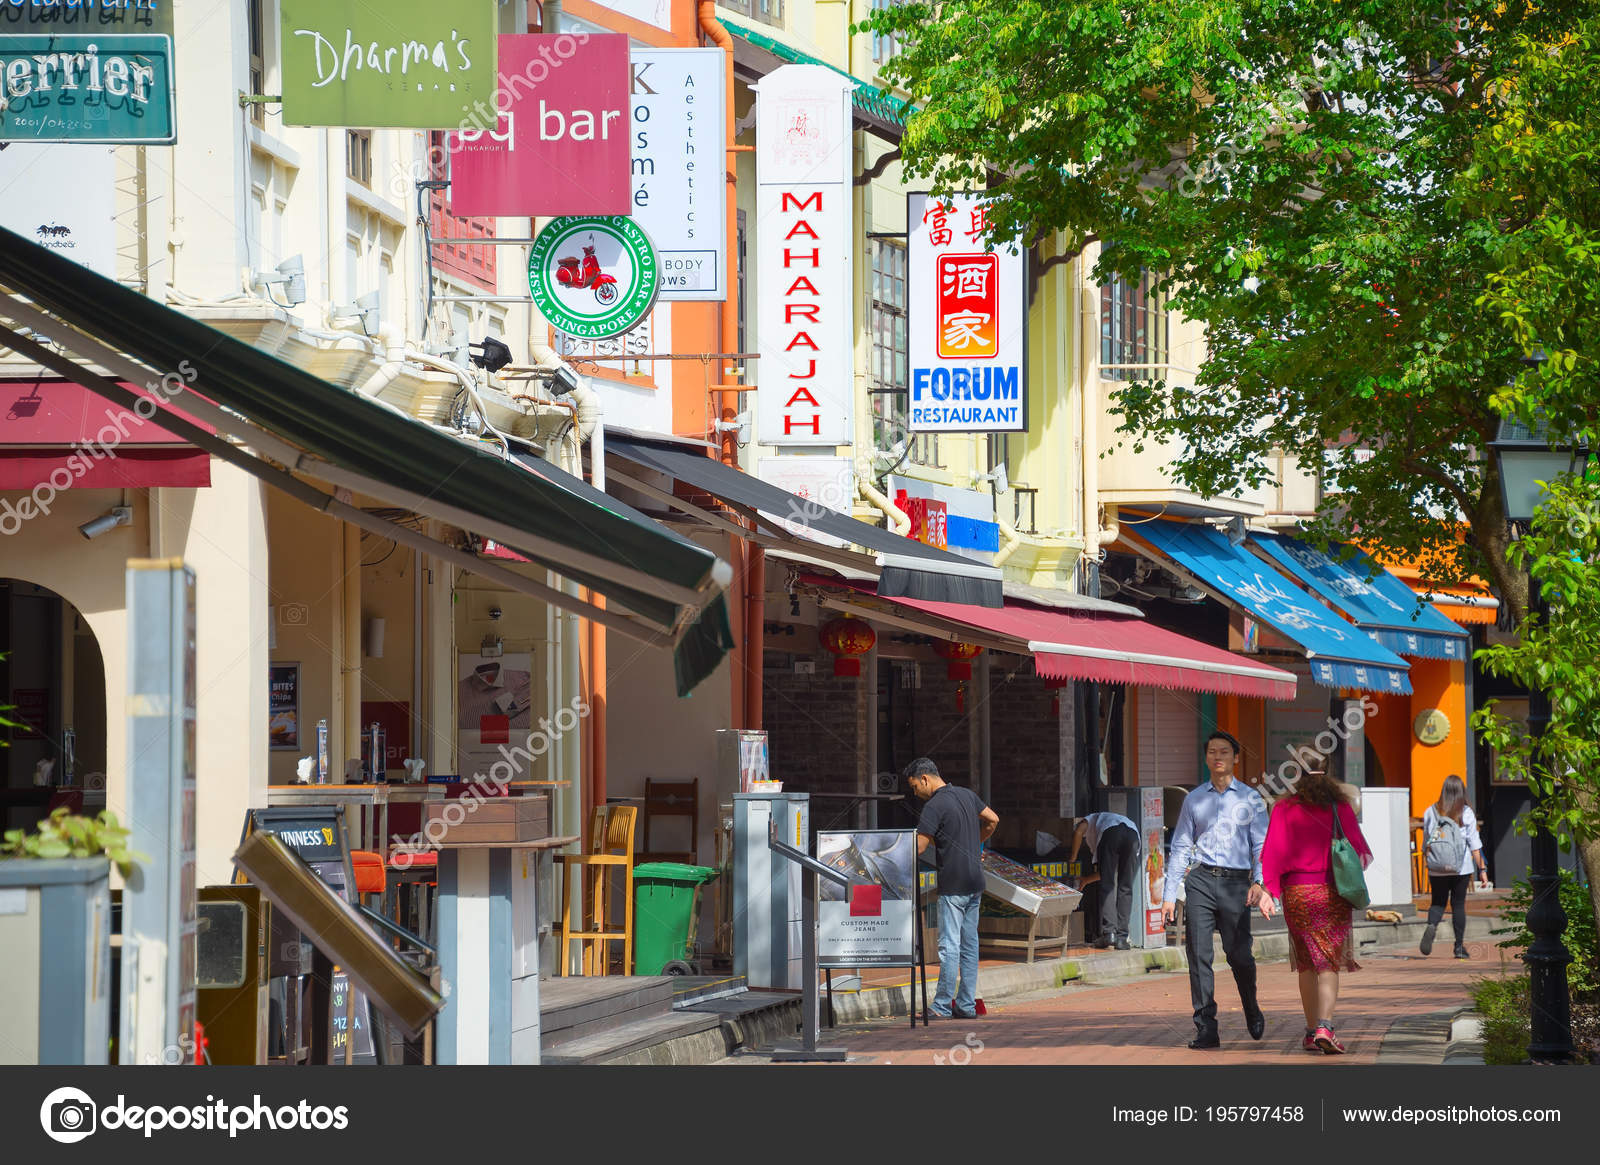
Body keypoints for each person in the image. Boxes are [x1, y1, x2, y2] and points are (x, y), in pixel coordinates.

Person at [1161, 730, 1272, 1049]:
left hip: (1238, 884)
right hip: (1201, 881)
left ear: (1236, 758)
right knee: (1198, 955)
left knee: (1239, 955)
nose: (1218, 756)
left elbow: (1260, 844)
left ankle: (1251, 1006)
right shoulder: (1194, 799)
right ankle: (1205, 1026)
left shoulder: (1251, 799)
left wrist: (1259, 882)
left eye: (1224, 751)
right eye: (1212, 751)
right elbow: (1181, 846)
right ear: (1206, 757)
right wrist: (1169, 895)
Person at [1260, 758, 1373, 1054]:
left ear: (1295, 775)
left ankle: (1311, 1032)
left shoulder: (1284, 808)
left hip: (1296, 894)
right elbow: (1358, 849)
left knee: (1306, 962)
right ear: (1328, 772)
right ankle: (1326, 1026)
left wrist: (1269, 891)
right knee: (1328, 962)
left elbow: (1273, 853)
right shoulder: (1340, 806)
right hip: (1332, 891)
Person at [907, 757, 999, 1019]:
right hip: (975, 883)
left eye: (914, 786)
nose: (916, 793)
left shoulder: (934, 806)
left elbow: (920, 846)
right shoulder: (967, 795)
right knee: (969, 946)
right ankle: (967, 1005)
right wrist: (976, 845)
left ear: (925, 778)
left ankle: (942, 1005)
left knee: (949, 946)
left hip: (954, 884)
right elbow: (993, 819)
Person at [1420, 774, 1489, 959]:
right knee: (1458, 905)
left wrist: (1430, 859)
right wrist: (1482, 870)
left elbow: (1427, 840)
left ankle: (1432, 925)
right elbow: (1475, 844)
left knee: (1437, 902)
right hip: (1461, 867)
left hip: (1437, 866)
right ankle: (1459, 948)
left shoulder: (1430, 811)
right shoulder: (1465, 812)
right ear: (1461, 792)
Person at [1068, 811, 1140, 949]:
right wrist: (1086, 880)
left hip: (1112, 833)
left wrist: (1072, 857)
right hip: (1133, 835)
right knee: (1125, 887)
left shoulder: (1090, 819)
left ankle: (1109, 933)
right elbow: (1106, 872)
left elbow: (1078, 832)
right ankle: (1122, 938)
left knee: (1107, 886)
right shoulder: (1110, 819)